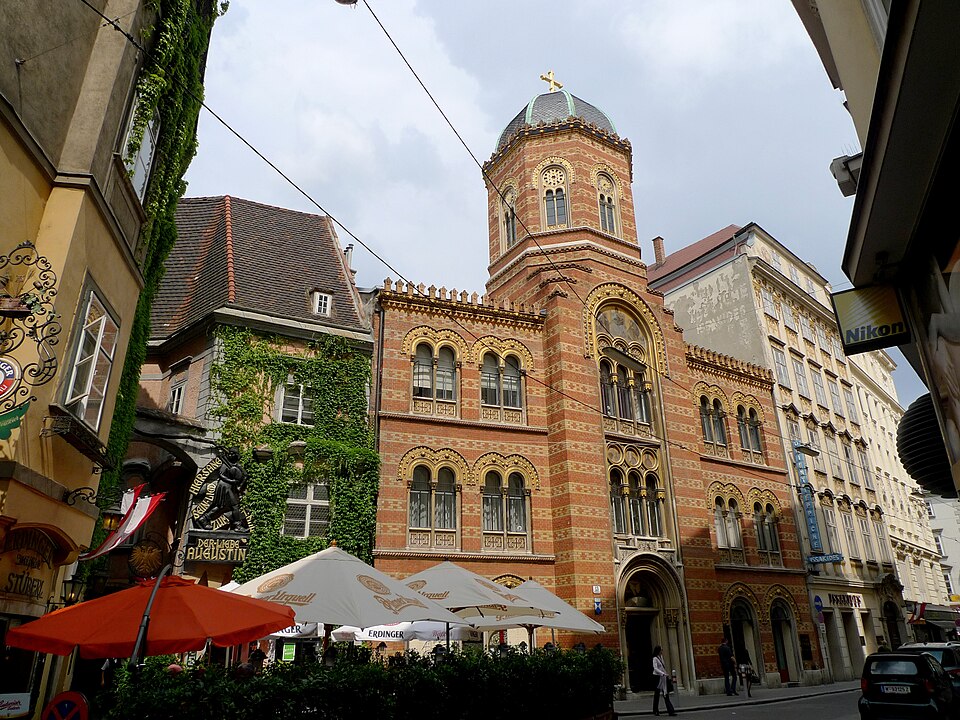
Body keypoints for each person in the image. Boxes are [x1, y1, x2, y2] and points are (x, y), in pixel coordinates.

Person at [652, 645, 677, 716]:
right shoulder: (655, 659)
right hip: (657, 678)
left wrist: (665, 673)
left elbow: (663, 667)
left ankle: (671, 711)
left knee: (665, 693)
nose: (662, 651)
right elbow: (655, 668)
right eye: (661, 650)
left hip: (663, 677)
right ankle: (655, 710)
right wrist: (662, 673)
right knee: (657, 694)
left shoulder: (661, 657)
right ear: (658, 651)